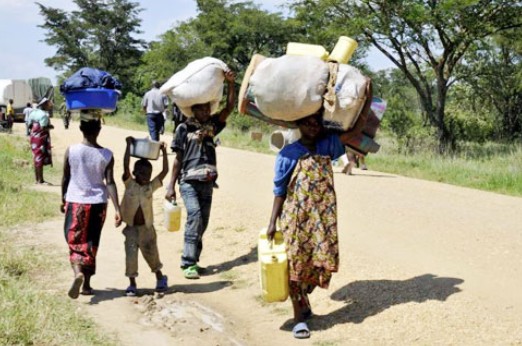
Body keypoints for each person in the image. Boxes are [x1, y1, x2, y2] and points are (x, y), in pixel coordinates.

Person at [266, 83, 372, 339]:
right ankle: (298, 318)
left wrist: (366, 101)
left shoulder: (329, 145)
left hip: (323, 219)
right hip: (296, 218)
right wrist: (272, 222)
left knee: (319, 264)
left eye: (316, 122)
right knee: (295, 265)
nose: (312, 127)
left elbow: (356, 131)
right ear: (299, 125)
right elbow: (279, 190)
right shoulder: (289, 154)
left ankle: (304, 300)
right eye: (307, 123)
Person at [165, 69, 236, 279]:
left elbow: (230, 107)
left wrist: (231, 83)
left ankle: (194, 260)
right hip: (188, 181)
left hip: (208, 182)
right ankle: (187, 262)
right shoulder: (183, 129)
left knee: (202, 223)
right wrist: (170, 185)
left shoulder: (212, 126)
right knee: (194, 217)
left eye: (207, 107)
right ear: (192, 109)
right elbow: (178, 159)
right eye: (200, 108)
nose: (205, 111)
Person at [61, 114, 122, 299]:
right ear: (99, 130)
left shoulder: (71, 151)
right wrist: (118, 209)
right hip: (98, 205)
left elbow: (66, 178)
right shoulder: (106, 155)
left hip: (76, 202)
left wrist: (63, 198)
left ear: (81, 129)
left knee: (75, 241)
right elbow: (110, 182)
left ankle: (77, 272)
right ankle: (86, 285)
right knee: (91, 243)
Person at [120, 136, 169, 296]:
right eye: (141, 172)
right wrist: (128, 145)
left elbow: (165, 172)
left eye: (148, 173)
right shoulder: (130, 184)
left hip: (147, 229)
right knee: (131, 257)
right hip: (131, 229)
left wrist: (164, 152)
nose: (145, 176)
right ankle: (132, 284)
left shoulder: (150, 187)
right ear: (134, 173)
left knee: (152, 255)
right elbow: (125, 165)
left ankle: (160, 278)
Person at [27, 98, 54, 184]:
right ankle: (40, 180)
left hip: (33, 138)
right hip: (40, 138)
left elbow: (29, 125)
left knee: (36, 157)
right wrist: (51, 127)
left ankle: (37, 179)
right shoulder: (44, 115)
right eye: (48, 104)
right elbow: (43, 127)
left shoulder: (33, 112)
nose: (49, 106)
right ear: (44, 105)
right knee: (40, 158)